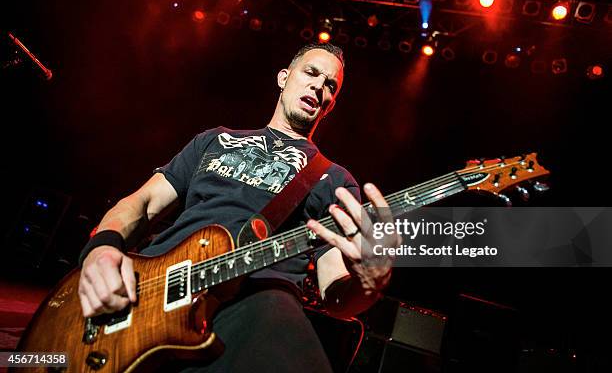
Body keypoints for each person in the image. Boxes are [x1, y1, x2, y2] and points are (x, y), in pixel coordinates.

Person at [77, 43, 399, 372]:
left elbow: (336, 292)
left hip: (258, 304)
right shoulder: (214, 139)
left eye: (330, 85)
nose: (319, 85)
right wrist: (101, 248)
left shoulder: (335, 181)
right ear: (283, 78)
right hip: (155, 285)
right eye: (311, 73)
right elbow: (141, 205)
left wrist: (368, 284)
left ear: (331, 104)